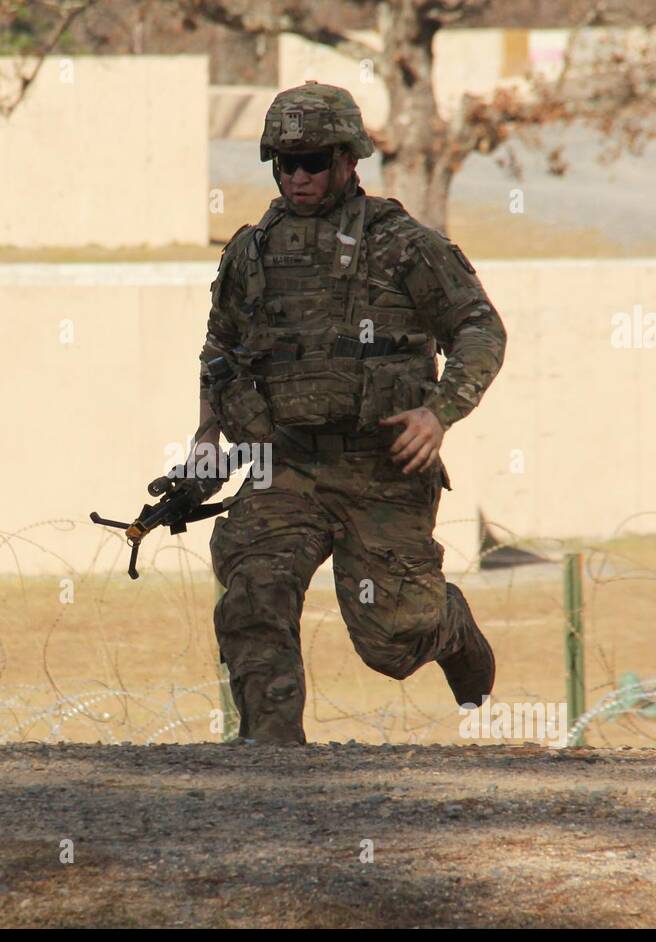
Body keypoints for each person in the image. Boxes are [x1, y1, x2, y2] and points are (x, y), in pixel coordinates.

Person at [193, 82, 507, 746]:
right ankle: (273, 756)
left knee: (394, 640)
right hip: (286, 467)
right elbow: (220, 350)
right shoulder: (251, 254)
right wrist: (207, 437)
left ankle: (448, 627)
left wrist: (439, 414)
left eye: (314, 161)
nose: (299, 176)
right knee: (253, 589)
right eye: (285, 162)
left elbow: (480, 329)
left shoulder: (403, 246)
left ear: (349, 160)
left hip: (383, 466)